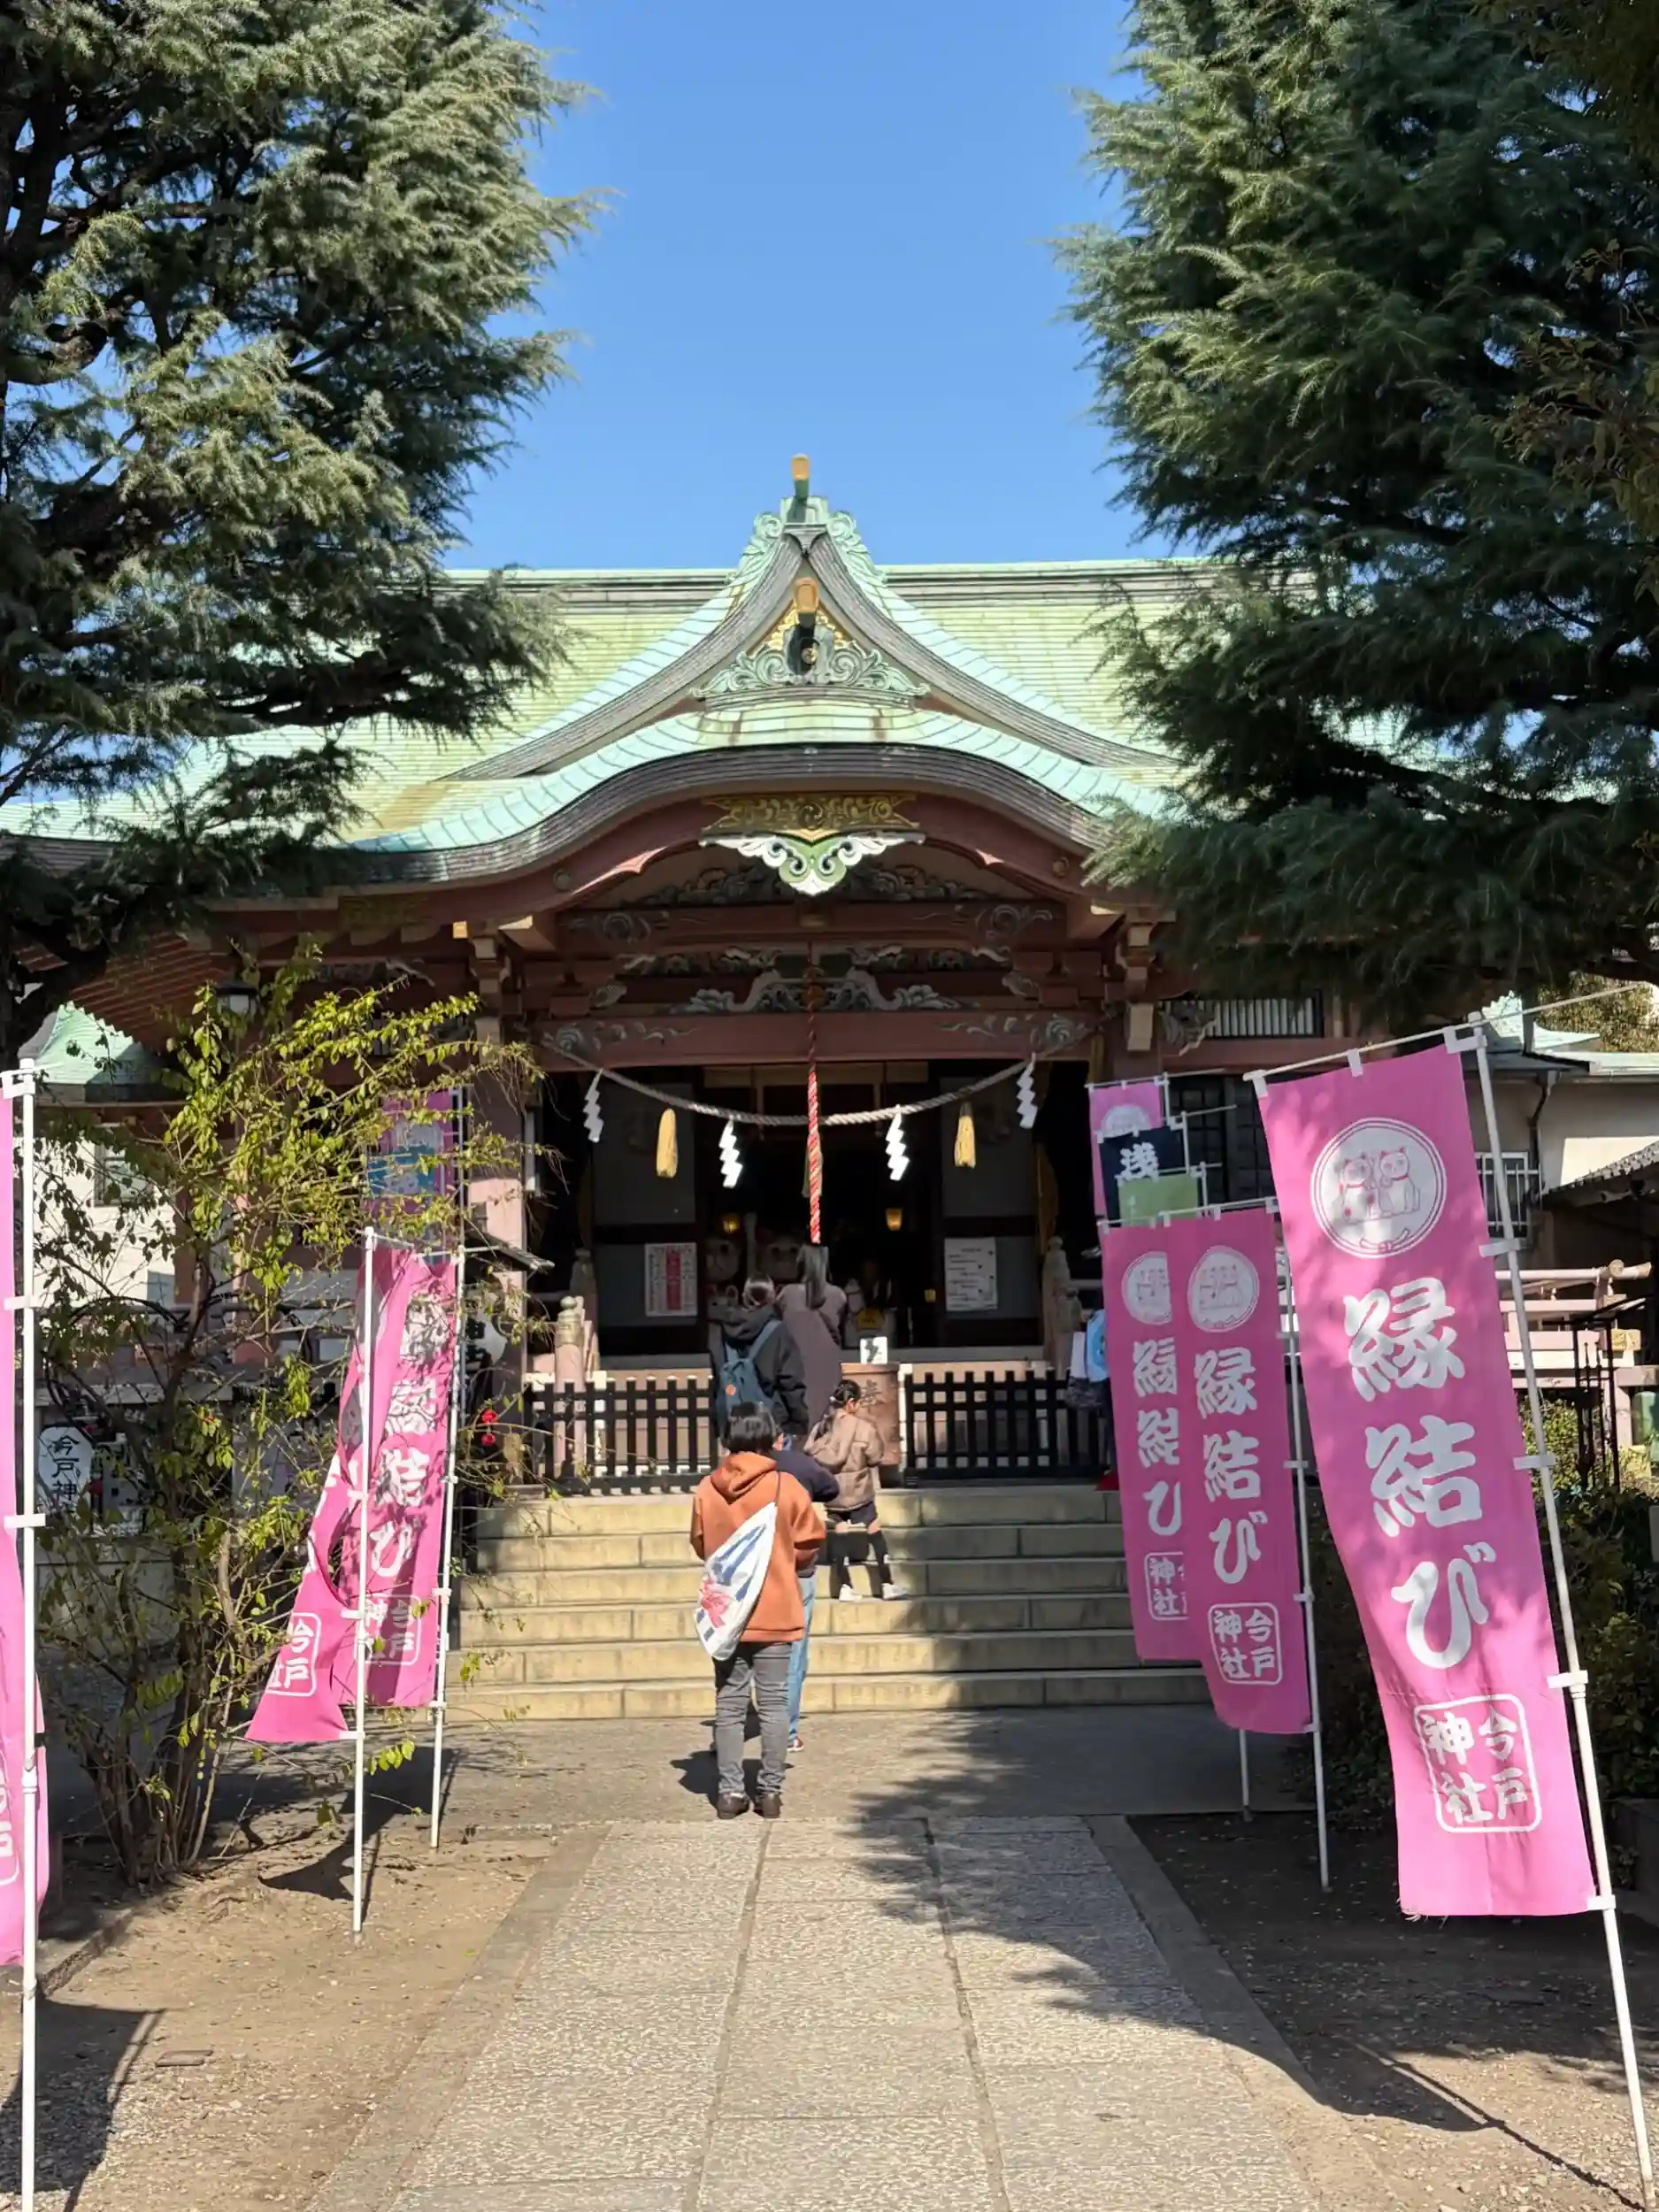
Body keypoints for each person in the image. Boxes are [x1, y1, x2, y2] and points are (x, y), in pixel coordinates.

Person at [689, 1404, 824, 1818]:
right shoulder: (785, 1486)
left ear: (728, 1437)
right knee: (774, 1702)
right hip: (775, 1606)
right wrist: (784, 1562)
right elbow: (810, 1540)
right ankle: (769, 1793)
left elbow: (700, 1543)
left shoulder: (707, 1489)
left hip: (726, 1612)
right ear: (769, 1436)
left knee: (729, 1703)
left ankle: (730, 1794)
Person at [809, 1379, 910, 1602]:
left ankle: (844, 1586)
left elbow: (811, 1451)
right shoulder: (864, 1428)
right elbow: (875, 1457)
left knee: (840, 1530)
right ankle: (886, 1583)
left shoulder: (823, 1427)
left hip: (834, 1491)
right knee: (873, 1527)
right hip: (859, 1490)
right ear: (851, 1403)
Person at [772, 1427, 839, 1755]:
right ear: (779, 1437)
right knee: (794, 1651)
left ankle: (729, 1729)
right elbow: (830, 1490)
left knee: (740, 1656)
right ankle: (786, 1730)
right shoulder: (797, 1468)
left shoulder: (728, 1474)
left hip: (747, 1573)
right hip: (794, 1570)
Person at [710, 1276, 810, 1440]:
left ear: (744, 1296)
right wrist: (799, 1421)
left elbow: (717, 1377)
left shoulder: (720, 1330)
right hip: (770, 1422)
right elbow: (790, 1382)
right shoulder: (779, 1331)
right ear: (772, 1298)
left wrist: (717, 1420)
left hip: (732, 1422)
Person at [776, 1244, 848, 1426]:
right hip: (828, 1370)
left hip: (795, 1370)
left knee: (799, 1427)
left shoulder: (787, 1295)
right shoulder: (838, 1296)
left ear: (801, 1263)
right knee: (826, 1427)